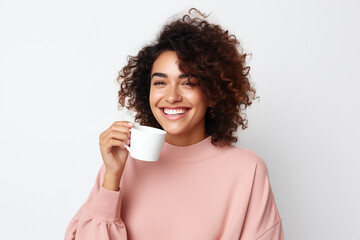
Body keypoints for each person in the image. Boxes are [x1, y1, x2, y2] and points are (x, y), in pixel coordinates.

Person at [65, 8, 284, 240]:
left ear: (211, 92)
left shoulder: (247, 170)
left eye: (188, 83)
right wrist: (111, 178)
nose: (171, 96)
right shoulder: (123, 164)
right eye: (160, 82)